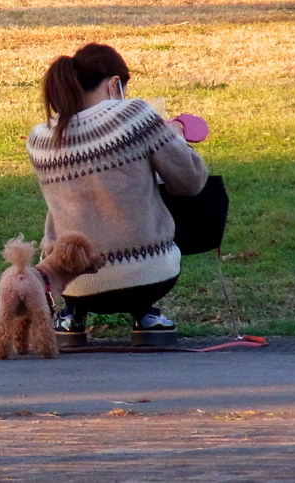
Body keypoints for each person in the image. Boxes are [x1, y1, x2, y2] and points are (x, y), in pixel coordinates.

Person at [25, 43, 208, 346]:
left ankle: (72, 317)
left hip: (69, 280)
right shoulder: (134, 114)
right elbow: (190, 182)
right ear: (114, 84)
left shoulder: (40, 137)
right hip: (148, 275)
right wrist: (174, 137)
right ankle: (145, 316)